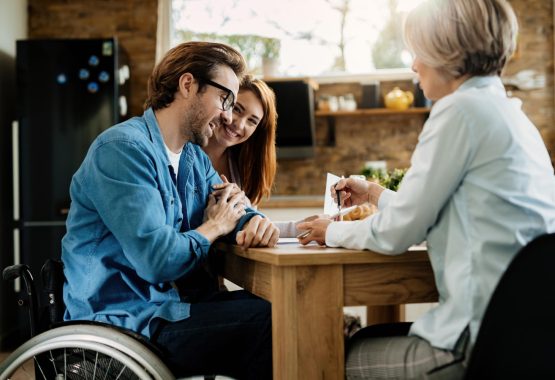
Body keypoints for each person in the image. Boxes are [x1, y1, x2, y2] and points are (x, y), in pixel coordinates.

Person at [297, 0, 555, 378]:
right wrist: (374, 193)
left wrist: (330, 230)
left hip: (475, 344)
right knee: (362, 336)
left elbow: (398, 232)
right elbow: (429, 210)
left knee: (324, 354)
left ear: (447, 51)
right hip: (524, 338)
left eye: (418, 51)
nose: (413, 65)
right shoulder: (509, 115)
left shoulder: (459, 111)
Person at [61, 41, 277, 379]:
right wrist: (214, 226)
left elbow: (234, 206)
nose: (227, 115)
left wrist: (256, 222)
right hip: (127, 324)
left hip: (170, 310)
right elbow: (157, 261)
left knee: (281, 311)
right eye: (226, 99)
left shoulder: (192, 158)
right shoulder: (123, 150)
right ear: (188, 84)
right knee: (273, 324)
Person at [202, 75, 303, 237]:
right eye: (237, 109)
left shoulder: (242, 168)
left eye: (252, 121)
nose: (239, 125)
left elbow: (249, 227)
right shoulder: (183, 155)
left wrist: (301, 228)